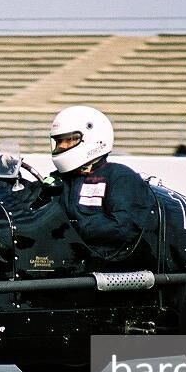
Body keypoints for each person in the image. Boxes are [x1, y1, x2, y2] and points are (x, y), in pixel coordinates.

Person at [47, 105, 158, 261]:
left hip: (102, 263)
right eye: (59, 141)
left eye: (69, 139)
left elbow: (124, 227)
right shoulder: (58, 179)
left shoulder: (120, 177)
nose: (62, 146)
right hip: (61, 258)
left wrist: (70, 227)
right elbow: (25, 205)